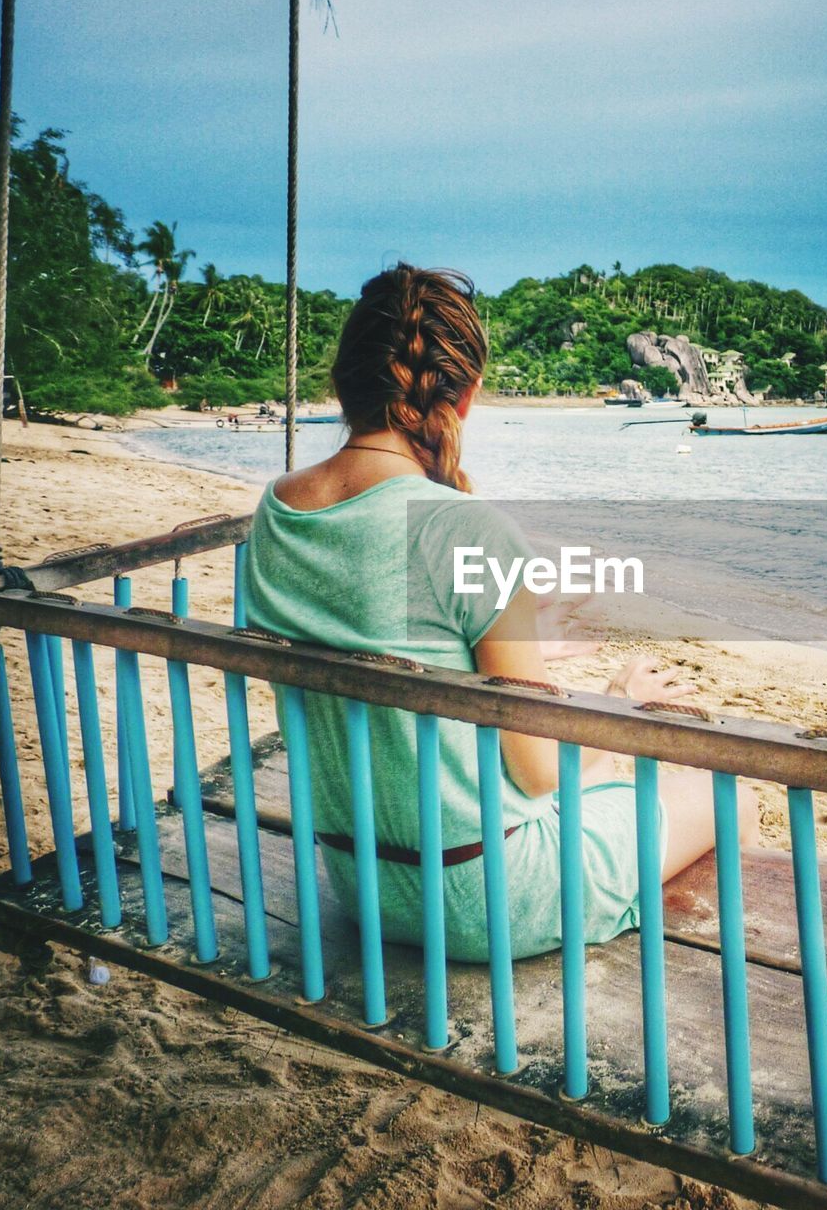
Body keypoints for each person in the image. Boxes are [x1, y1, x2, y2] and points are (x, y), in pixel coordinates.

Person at [243, 263, 759, 961]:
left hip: (367, 887)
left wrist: (517, 643)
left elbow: (379, 619)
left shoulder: (275, 516)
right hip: (485, 897)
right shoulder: (465, 530)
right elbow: (538, 774)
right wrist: (614, 708)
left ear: (344, 385)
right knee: (730, 797)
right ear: (466, 398)